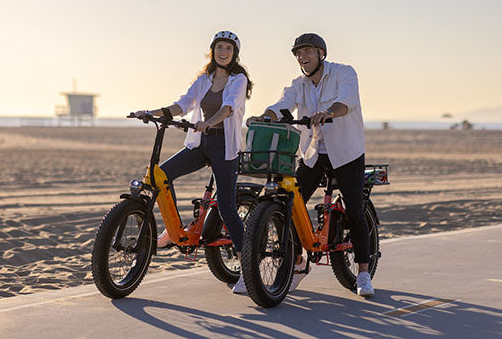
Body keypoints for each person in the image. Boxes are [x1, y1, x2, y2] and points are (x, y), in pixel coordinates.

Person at [246, 33, 374, 297]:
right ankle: (297, 263)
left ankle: (363, 272)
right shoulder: (298, 84)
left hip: (346, 152)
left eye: (308, 52)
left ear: (321, 53)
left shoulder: (344, 73)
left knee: (355, 211)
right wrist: (265, 115)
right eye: (298, 54)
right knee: (291, 204)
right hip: (314, 153)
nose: (303, 58)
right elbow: (283, 105)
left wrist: (329, 112)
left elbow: (346, 102)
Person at [134, 30, 253, 294]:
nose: (223, 52)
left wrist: (208, 122)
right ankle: (172, 229)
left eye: (228, 49)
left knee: (226, 207)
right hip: (201, 143)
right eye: (219, 47)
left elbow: (229, 107)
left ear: (234, 54)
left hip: (224, 145)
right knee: (161, 175)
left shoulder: (238, 79)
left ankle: (247, 270)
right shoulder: (204, 79)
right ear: (212, 50)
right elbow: (183, 104)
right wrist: (151, 112)